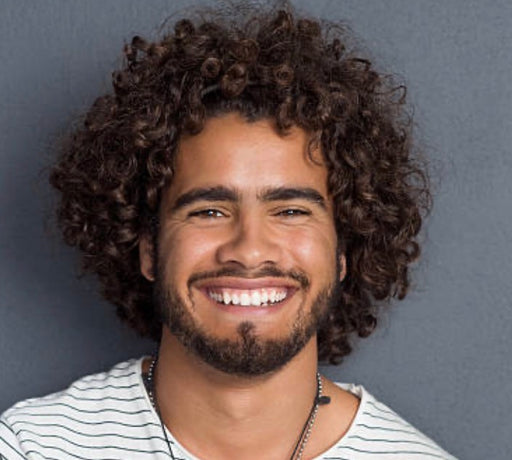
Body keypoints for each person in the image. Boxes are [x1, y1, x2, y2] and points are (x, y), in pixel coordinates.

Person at [0, 1, 456, 459]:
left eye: (290, 211)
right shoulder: (29, 447)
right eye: (209, 212)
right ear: (148, 249)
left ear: (343, 252)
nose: (250, 250)